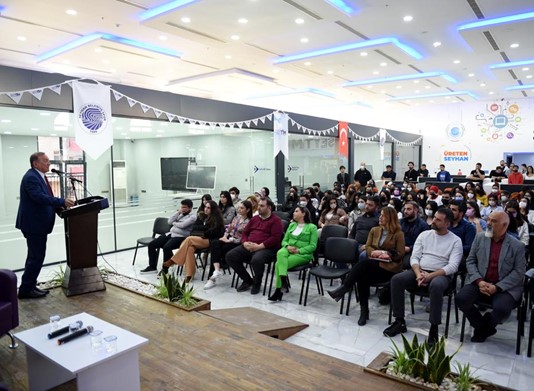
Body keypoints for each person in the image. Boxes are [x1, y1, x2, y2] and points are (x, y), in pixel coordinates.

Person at [383, 208, 463, 346]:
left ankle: (434, 328)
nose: (434, 221)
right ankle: (399, 321)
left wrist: (430, 276)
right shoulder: (424, 235)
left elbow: (453, 266)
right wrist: (419, 273)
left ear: (447, 224)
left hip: (440, 274)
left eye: (438, 220)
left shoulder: (455, 241)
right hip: (419, 271)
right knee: (397, 279)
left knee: (436, 285)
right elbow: (414, 257)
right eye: (434, 217)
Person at [327, 208, 405, 325]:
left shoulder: (398, 234)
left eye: (383, 216)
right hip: (374, 264)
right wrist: (375, 252)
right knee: (361, 277)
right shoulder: (374, 230)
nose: (380, 217)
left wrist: (385, 253)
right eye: (380, 215)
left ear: (390, 218)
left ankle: (345, 287)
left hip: (389, 268)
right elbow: (367, 247)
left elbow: (400, 253)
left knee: (363, 264)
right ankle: (364, 311)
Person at [456, 212, 525, 342]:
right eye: (488, 219)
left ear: (504, 225)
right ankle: (482, 326)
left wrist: (497, 287)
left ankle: (486, 325)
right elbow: (470, 261)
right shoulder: (480, 238)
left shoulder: (517, 246)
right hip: (480, 281)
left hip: (503, 286)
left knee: (503, 309)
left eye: (493, 221)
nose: (488, 223)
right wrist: (479, 281)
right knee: (461, 298)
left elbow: (519, 272)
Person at [16, 152, 75, 299]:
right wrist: (61, 202)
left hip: (37, 224)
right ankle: (26, 289)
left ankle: (29, 285)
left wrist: (60, 209)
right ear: (35, 163)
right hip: (33, 224)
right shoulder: (31, 177)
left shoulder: (39, 176)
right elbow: (38, 197)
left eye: (48, 161)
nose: (49, 163)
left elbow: (46, 198)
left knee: (36, 256)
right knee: (36, 257)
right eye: (45, 161)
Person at [226, 197, 284, 295]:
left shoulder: (276, 220)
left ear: (269, 207)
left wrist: (259, 246)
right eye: (258, 205)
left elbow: (275, 238)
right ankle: (248, 280)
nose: (258, 208)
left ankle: (257, 283)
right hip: (250, 245)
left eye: (262, 206)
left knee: (256, 260)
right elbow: (245, 233)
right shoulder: (255, 219)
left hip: (267, 248)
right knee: (230, 256)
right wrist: (244, 243)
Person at [163, 200, 225, 282]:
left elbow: (212, 233)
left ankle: (174, 260)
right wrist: (203, 231)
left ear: (213, 209)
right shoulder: (202, 217)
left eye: (208, 208)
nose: (206, 209)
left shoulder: (217, 219)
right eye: (205, 207)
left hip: (211, 241)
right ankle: (189, 275)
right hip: (200, 238)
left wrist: (203, 231)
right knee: (189, 248)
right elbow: (194, 228)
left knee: (189, 239)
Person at [268, 206, 318, 302]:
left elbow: (313, 246)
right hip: (288, 250)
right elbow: (284, 241)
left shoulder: (312, 227)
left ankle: (279, 290)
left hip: (302, 254)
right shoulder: (291, 225)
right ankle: (282, 282)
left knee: (278, 264)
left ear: (303, 214)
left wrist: (299, 251)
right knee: (280, 252)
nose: (293, 213)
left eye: (296, 211)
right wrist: (287, 246)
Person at [204, 201, 252, 290]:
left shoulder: (249, 222)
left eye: (242, 208)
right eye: (239, 207)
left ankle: (212, 278)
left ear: (248, 210)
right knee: (215, 243)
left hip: (237, 242)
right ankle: (217, 270)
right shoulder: (236, 218)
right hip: (229, 239)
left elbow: (245, 237)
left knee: (217, 251)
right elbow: (229, 230)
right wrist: (225, 237)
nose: (239, 210)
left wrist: (230, 240)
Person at [140, 198, 196, 274]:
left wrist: (174, 223)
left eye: (185, 207)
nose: (183, 209)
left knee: (167, 247)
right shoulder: (180, 214)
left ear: (190, 208)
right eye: (182, 207)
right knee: (152, 245)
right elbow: (169, 221)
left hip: (181, 237)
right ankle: (152, 267)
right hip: (170, 234)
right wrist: (178, 212)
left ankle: (164, 270)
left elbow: (182, 225)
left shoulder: (192, 217)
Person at [401, 201, 430, 269]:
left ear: (416, 210)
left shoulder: (423, 225)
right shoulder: (401, 222)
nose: (405, 211)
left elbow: (424, 243)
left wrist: (410, 248)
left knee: (405, 263)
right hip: (400, 249)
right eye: (405, 209)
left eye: (409, 209)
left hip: (414, 251)